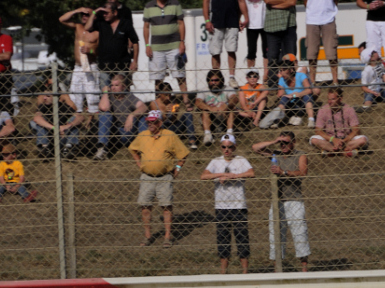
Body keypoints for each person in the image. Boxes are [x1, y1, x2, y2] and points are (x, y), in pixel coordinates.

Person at [128, 110, 190, 248]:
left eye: (153, 121)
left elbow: (183, 153)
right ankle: (147, 235)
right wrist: (140, 164)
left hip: (165, 177)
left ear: (160, 122)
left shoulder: (170, 136)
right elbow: (132, 149)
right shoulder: (142, 136)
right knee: (145, 206)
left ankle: (167, 236)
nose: (150, 124)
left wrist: (177, 169)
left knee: (166, 207)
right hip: (146, 177)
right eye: (148, 122)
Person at [253, 131, 310, 271]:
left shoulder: (300, 155)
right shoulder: (275, 154)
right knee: (276, 234)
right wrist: (274, 141)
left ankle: (304, 269)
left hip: (294, 200)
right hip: (277, 201)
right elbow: (255, 148)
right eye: (281, 143)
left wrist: (283, 172)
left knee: (299, 233)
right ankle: (277, 268)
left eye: (286, 142)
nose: (283, 145)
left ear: (293, 142)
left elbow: (302, 173)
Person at [201, 133, 255, 273]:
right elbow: (204, 175)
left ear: (234, 147)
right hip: (221, 206)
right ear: (220, 147)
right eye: (224, 147)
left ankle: (245, 271)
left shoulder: (241, 160)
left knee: (242, 237)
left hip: (238, 206)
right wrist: (221, 175)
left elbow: (251, 173)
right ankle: (223, 271)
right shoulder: (216, 161)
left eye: (229, 147)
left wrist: (234, 176)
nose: (226, 150)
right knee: (222, 238)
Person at [60, 8, 103, 118]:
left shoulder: (98, 32)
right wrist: (76, 11)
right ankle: (76, 121)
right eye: (82, 14)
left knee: (92, 96)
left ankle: (92, 122)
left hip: (91, 66)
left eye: (87, 15)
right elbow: (61, 19)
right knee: (75, 96)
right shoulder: (78, 27)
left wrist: (91, 51)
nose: (84, 16)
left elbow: (101, 51)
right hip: (78, 67)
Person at [97, 73, 148, 159]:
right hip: (115, 132)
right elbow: (104, 108)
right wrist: (105, 92)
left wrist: (131, 115)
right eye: (112, 85)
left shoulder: (129, 96)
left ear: (123, 87)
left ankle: (146, 148)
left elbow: (144, 107)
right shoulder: (109, 96)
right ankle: (102, 148)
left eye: (117, 85)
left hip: (128, 130)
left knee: (142, 118)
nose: (113, 87)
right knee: (105, 114)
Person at [144, 0, 188, 97]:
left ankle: (187, 103)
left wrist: (182, 42)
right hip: (156, 48)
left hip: (174, 46)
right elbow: (146, 27)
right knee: (158, 77)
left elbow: (181, 23)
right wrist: (147, 45)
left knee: (180, 75)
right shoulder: (149, 6)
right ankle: (159, 105)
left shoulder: (175, 4)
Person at [310, 89, 369, 156]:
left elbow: (356, 130)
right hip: (330, 140)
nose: (329, 102)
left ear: (340, 99)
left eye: (332, 99)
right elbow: (318, 130)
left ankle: (331, 151)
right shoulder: (323, 110)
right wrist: (333, 139)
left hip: (347, 140)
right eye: (328, 99)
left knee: (363, 139)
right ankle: (344, 152)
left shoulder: (349, 109)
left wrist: (344, 140)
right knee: (313, 139)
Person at [31, 84, 85, 158]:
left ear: (56, 97)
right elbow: (36, 118)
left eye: (48, 96)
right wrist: (54, 128)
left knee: (74, 122)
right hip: (49, 138)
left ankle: (69, 148)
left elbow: (81, 117)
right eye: (44, 95)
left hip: (62, 138)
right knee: (38, 123)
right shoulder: (43, 107)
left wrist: (66, 127)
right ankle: (44, 148)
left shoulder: (63, 107)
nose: (44, 98)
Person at [204, 0, 249, 88]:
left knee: (231, 50)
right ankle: (216, 78)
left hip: (232, 21)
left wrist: (246, 17)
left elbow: (241, 1)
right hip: (215, 21)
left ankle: (231, 78)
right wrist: (207, 20)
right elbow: (206, 2)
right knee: (215, 52)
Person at [94, 1, 140, 82]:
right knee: (105, 92)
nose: (104, 15)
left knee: (120, 90)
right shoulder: (101, 24)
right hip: (104, 66)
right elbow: (87, 27)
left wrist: (135, 61)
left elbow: (135, 41)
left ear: (114, 12)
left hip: (122, 66)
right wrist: (95, 12)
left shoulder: (125, 23)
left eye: (106, 13)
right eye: (103, 13)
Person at [358, 0, 385, 83]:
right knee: (373, 53)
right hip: (371, 21)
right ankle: (378, 81)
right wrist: (368, 6)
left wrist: (384, 3)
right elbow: (359, 1)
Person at [196, 69, 239, 144]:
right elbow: (198, 102)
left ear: (221, 80)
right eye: (211, 80)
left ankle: (229, 134)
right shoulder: (203, 90)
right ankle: (207, 135)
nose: (213, 83)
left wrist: (226, 105)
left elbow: (234, 98)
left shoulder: (227, 88)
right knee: (205, 111)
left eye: (216, 80)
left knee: (231, 109)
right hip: (211, 117)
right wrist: (210, 108)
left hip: (224, 115)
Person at [151, 81, 198, 150]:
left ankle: (192, 140)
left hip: (172, 126)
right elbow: (155, 122)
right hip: (162, 128)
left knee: (188, 114)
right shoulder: (154, 103)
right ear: (160, 94)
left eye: (169, 94)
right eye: (166, 95)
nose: (168, 98)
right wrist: (165, 113)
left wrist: (174, 113)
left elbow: (173, 120)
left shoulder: (173, 101)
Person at [263, 0, 298, 88]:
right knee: (272, 57)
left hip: (289, 24)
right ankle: (273, 85)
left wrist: (274, 5)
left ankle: (291, 83)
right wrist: (285, 2)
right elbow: (267, 1)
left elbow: (292, 2)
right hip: (272, 25)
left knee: (290, 57)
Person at [305, 0, 339, 86]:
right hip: (312, 19)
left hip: (329, 18)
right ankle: (312, 81)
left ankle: (335, 81)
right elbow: (305, 2)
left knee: (331, 52)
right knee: (312, 53)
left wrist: (329, 10)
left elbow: (335, 1)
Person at [270, 62, 315, 126]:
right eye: (281, 70)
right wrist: (286, 95)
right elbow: (280, 95)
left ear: (291, 70)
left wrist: (297, 94)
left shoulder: (301, 75)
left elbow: (309, 90)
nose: (282, 73)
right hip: (291, 105)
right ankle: (277, 120)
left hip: (302, 103)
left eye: (284, 70)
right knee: (283, 99)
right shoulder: (282, 79)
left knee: (307, 96)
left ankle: (311, 120)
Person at [245, 0, 269, 80]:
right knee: (251, 51)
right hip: (251, 23)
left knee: (267, 52)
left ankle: (266, 77)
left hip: (266, 22)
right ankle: (251, 77)